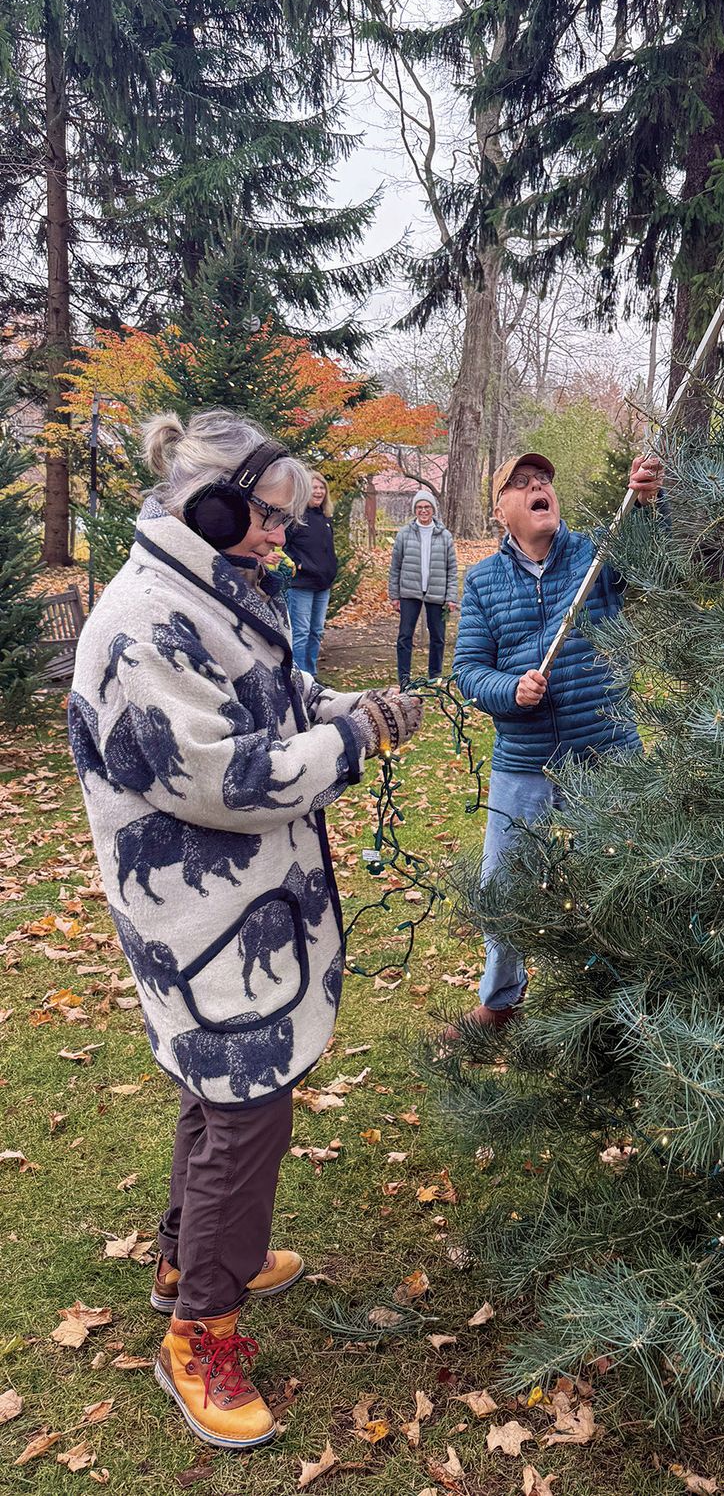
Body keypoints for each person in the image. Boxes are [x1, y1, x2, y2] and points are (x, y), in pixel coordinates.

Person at [66, 409, 422, 1452]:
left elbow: (280, 696)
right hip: (204, 919)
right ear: (211, 505)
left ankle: (192, 1255)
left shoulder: (211, 594)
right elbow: (223, 776)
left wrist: (360, 705)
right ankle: (201, 1331)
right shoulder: (142, 622)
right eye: (272, 520)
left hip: (244, 909)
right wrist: (348, 744)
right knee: (248, 1111)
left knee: (218, 1099)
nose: (283, 541)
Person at [451, 448, 663, 1034]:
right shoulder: (483, 582)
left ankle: (625, 1000)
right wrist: (508, 689)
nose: (538, 486)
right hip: (524, 761)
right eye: (521, 484)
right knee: (505, 885)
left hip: (606, 749)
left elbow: (651, 562)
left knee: (622, 872)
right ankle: (499, 1004)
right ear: (501, 511)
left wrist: (646, 505)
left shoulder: (595, 556)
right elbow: (468, 670)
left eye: (544, 479)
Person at [388, 489, 459, 689]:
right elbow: (395, 566)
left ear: (433, 510)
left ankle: (435, 676)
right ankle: (404, 677)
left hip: (437, 593)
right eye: (419, 507)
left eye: (427, 507)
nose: (423, 510)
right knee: (404, 636)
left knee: (438, 636)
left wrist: (451, 597)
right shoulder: (404, 534)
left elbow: (452, 568)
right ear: (415, 510)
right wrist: (394, 595)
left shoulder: (445, 536)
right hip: (409, 592)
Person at [284, 469, 337, 675]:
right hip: (301, 585)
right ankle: (300, 677)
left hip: (323, 585)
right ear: (304, 490)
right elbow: (281, 546)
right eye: (314, 487)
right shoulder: (295, 518)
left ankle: (312, 675)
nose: (318, 491)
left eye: (321, 487)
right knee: (301, 633)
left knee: (316, 632)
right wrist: (296, 562)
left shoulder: (325, 519)